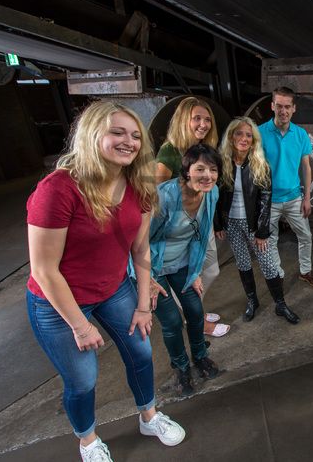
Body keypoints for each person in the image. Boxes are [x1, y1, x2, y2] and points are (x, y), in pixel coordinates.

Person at [26, 101, 185, 462]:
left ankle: (149, 416)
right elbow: (44, 270)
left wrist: (144, 305)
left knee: (141, 353)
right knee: (83, 380)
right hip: (59, 301)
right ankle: (88, 441)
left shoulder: (138, 185)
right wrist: (81, 327)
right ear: (91, 134)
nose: (128, 141)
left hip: (114, 289)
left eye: (134, 135)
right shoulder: (59, 189)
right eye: (117, 132)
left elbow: (140, 249)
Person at [147, 144, 225, 397]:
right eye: (200, 168)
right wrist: (146, 279)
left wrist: (195, 273)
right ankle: (181, 369)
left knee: (194, 309)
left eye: (213, 170)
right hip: (154, 266)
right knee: (171, 320)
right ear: (186, 170)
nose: (207, 175)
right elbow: (138, 242)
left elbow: (201, 236)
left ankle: (200, 357)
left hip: (182, 263)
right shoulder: (165, 196)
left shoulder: (211, 194)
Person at [215, 117, 300, 324]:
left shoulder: (260, 164)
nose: (244, 138)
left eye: (248, 135)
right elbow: (214, 197)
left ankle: (280, 304)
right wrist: (218, 223)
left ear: (253, 140)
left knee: (268, 265)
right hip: (232, 223)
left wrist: (262, 232)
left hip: (254, 224)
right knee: (243, 263)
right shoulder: (221, 163)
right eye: (239, 133)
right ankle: (253, 301)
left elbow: (265, 200)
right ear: (231, 136)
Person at [155, 96, 223, 336]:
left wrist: (213, 224)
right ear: (184, 120)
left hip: (200, 222)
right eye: (197, 119)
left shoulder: (205, 149)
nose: (203, 124)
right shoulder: (170, 151)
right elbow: (157, 197)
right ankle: (196, 317)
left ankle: (193, 309)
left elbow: (210, 191)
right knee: (190, 273)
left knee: (211, 269)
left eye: (207, 120)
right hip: (179, 228)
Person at [258, 86, 313, 288]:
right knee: (271, 239)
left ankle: (305, 271)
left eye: (287, 106)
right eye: (279, 106)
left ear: (294, 108)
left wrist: (306, 197)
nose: (283, 111)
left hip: (294, 196)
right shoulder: (259, 133)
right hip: (269, 199)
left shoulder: (301, 134)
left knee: (305, 236)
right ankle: (278, 273)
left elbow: (306, 167)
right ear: (272, 106)